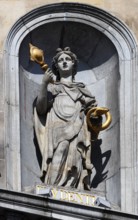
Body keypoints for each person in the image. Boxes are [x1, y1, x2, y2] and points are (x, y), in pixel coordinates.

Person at [34, 47, 97, 190]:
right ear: (56, 66)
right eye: (60, 60)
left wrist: (94, 116)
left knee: (75, 154)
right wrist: (44, 84)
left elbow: (92, 112)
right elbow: (41, 108)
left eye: (67, 59)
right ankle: (52, 185)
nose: (64, 62)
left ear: (73, 64)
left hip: (78, 124)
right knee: (61, 148)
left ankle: (72, 187)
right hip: (57, 125)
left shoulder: (81, 89)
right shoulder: (53, 88)